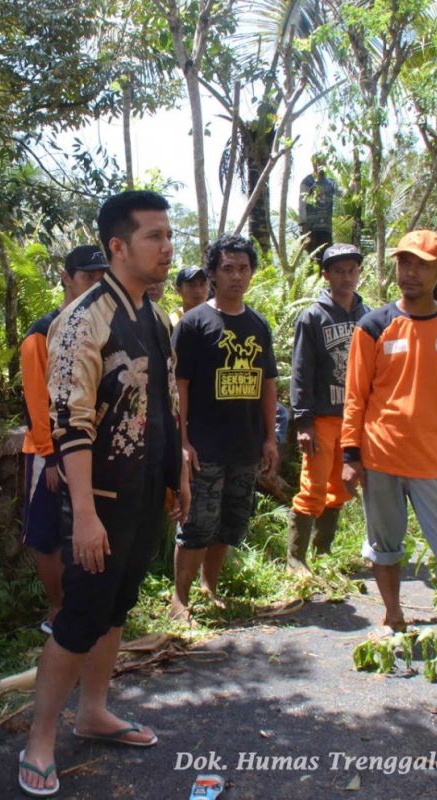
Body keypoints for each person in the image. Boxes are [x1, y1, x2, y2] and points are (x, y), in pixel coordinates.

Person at [18, 190, 190, 798]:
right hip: (103, 502)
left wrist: (180, 472)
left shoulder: (153, 314)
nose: (168, 248)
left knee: (116, 607)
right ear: (118, 246)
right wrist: (84, 515)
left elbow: (165, 401)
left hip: (146, 495)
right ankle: (40, 738)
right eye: (154, 237)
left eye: (170, 236)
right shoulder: (82, 319)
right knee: (79, 615)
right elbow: (71, 422)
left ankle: (93, 712)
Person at [341, 229, 437, 632]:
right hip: (382, 456)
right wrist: (351, 456)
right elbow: (356, 396)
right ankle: (393, 614)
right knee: (385, 545)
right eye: (404, 262)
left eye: (421, 264)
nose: (410, 272)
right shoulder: (373, 326)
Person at [170, 234, 279, 621]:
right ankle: (179, 600)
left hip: (246, 445)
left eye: (244, 268)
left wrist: (270, 437)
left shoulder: (258, 325)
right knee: (197, 524)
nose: (237, 276)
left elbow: (268, 383)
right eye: (228, 268)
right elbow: (178, 386)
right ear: (214, 273)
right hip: (204, 445)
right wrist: (182, 441)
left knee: (228, 525)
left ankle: (209, 587)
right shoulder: (194, 324)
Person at [20, 245, 108, 635]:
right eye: (88, 276)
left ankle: (87, 609)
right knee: (47, 535)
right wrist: (50, 455)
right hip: (50, 454)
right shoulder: (41, 332)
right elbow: (37, 399)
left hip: (90, 449)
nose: (96, 284)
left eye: (101, 277)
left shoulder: (101, 325)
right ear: (66, 277)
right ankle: (56, 610)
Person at [287, 243, 370, 569]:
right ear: (326, 274)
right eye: (338, 271)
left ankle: (323, 552)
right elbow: (301, 370)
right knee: (313, 486)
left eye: (351, 270)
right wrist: (303, 422)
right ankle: (295, 558)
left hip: (355, 419)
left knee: (340, 487)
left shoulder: (368, 316)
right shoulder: (313, 317)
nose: (346, 277)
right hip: (322, 417)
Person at [298, 154, 337, 257]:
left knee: (326, 258)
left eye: (323, 163)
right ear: (313, 164)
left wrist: (353, 184)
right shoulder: (308, 181)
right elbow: (302, 204)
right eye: (318, 163)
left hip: (326, 228)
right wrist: (302, 227)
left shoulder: (330, 182)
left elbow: (343, 193)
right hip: (311, 228)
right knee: (311, 259)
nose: (321, 165)